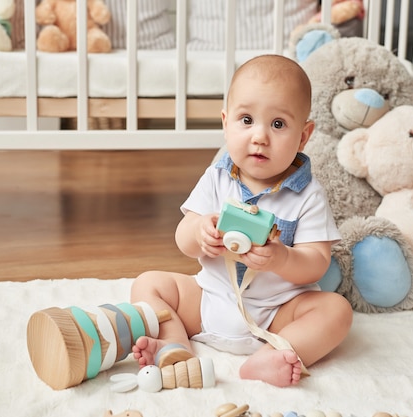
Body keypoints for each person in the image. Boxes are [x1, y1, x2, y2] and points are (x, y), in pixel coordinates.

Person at [130, 54, 353, 388]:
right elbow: (183, 238)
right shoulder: (218, 178)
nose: (260, 136)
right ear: (225, 123)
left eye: (278, 124)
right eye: (246, 120)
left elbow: (317, 264)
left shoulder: (308, 194)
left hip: (278, 312)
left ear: (304, 137)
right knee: (147, 283)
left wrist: (282, 257)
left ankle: (276, 354)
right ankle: (176, 345)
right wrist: (200, 231)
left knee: (337, 311)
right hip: (209, 299)